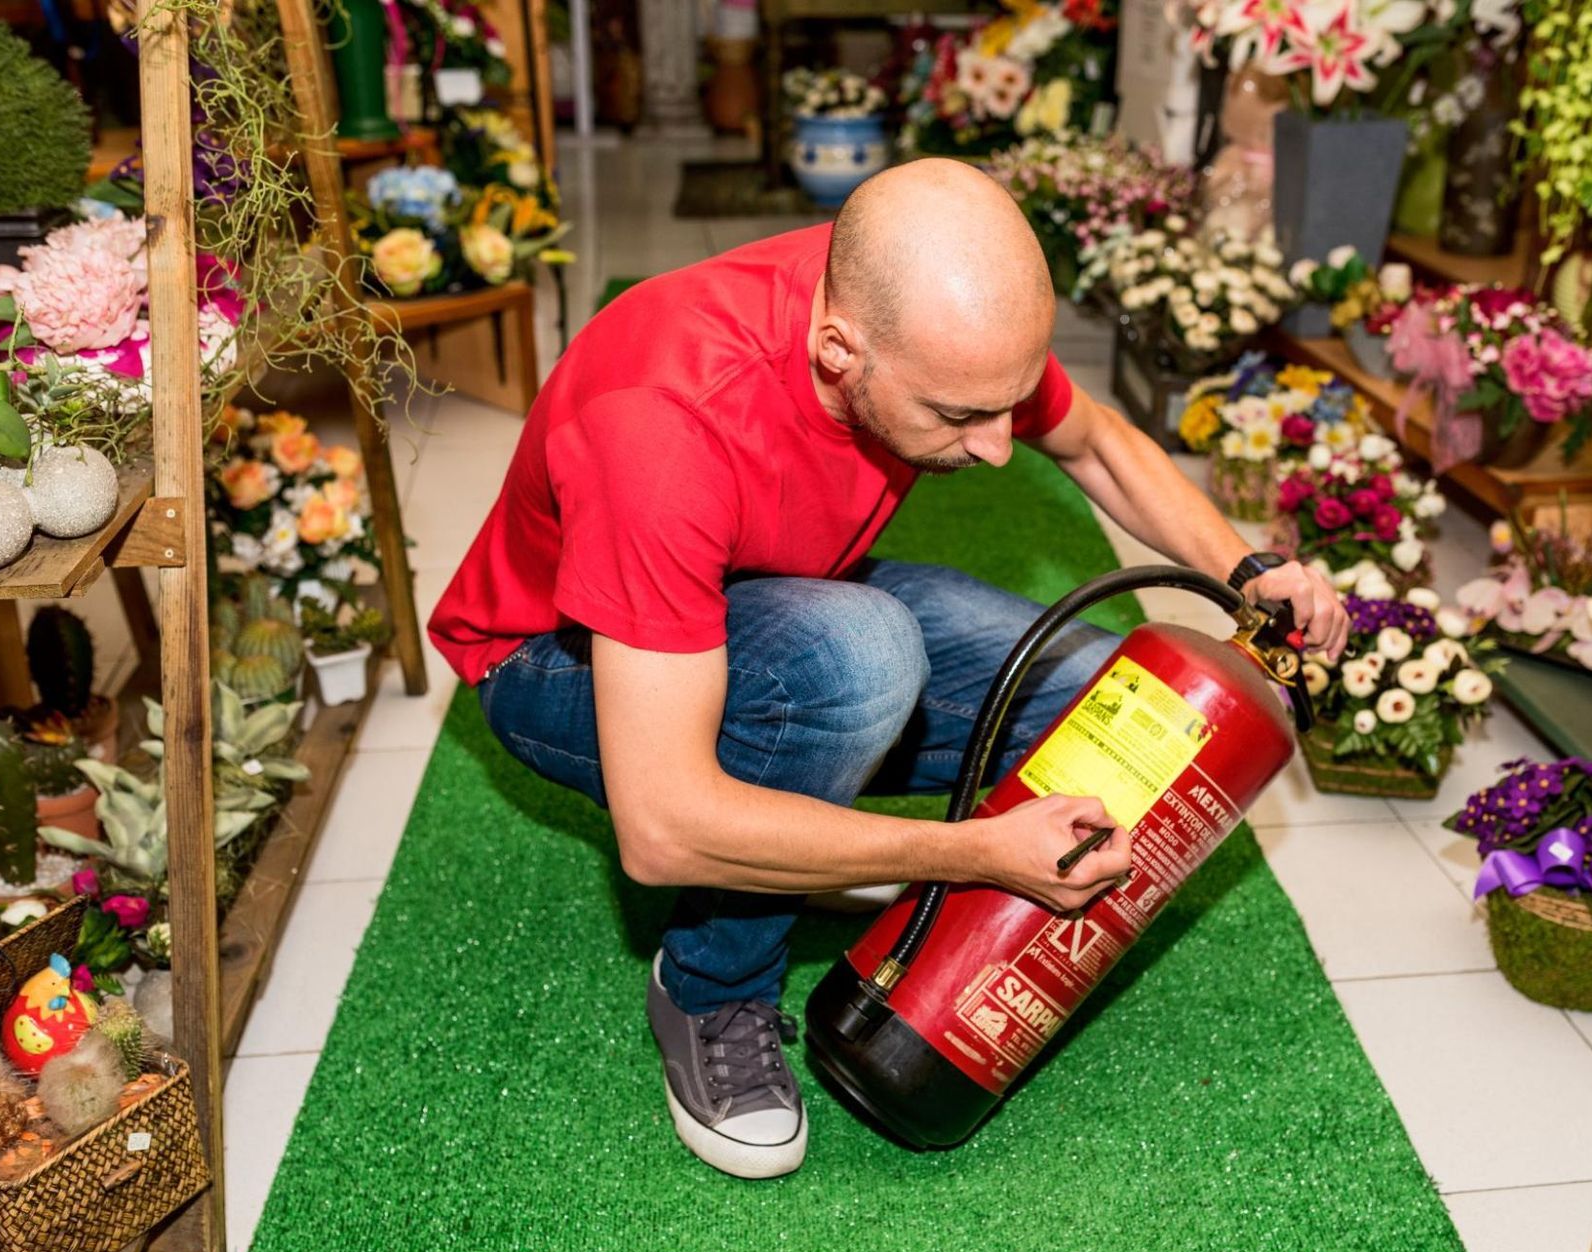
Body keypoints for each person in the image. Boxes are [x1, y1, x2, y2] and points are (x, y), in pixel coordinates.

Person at [429, 158, 1348, 1180]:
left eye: (1008, 404)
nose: (1001, 449)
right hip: (554, 656)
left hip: (778, 588)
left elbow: (1094, 445)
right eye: (961, 417)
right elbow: (661, 827)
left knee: (1112, 697)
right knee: (855, 660)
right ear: (838, 351)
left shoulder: (942, 322)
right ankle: (708, 988)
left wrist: (1248, 568)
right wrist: (973, 853)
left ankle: (807, 832)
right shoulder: (665, 422)